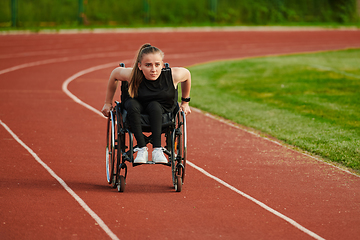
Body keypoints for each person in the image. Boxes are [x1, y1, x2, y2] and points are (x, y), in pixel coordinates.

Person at [101, 43, 191, 164]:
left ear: (162, 65)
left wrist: (185, 102)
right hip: (136, 109)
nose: (153, 69)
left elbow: (187, 75)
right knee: (132, 104)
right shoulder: (132, 75)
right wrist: (107, 103)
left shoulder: (172, 75)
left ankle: (157, 149)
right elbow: (114, 74)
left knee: (155, 106)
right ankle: (141, 148)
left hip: (162, 110)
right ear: (139, 66)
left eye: (157, 65)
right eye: (148, 65)